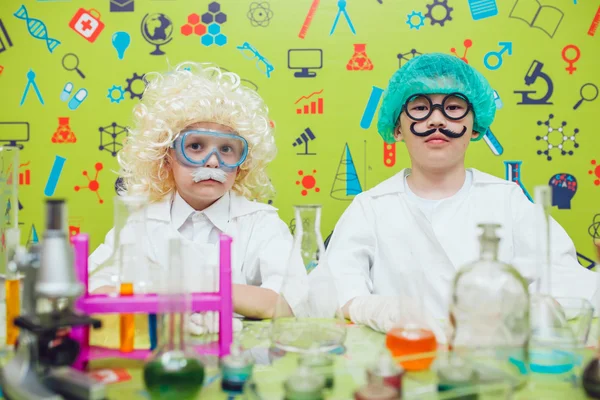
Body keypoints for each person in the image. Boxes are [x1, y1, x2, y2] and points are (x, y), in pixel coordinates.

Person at [320, 53, 598, 340]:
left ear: (475, 125)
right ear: (397, 127)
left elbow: (569, 281)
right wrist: (379, 310)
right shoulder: (370, 208)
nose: (436, 121)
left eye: (453, 107)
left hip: (495, 361)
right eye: (419, 107)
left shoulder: (508, 201)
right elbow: (334, 290)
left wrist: (524, 307)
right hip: (401, 363)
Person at [88, 62, 306, 332]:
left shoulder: (262, 225)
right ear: (166, 158)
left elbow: (286, 303)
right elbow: (93, 286)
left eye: (226, 149)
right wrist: (164, 301)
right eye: (195, 146)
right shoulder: (140, 224)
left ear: (242, 165)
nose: (212, 162)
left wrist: (193, 290)